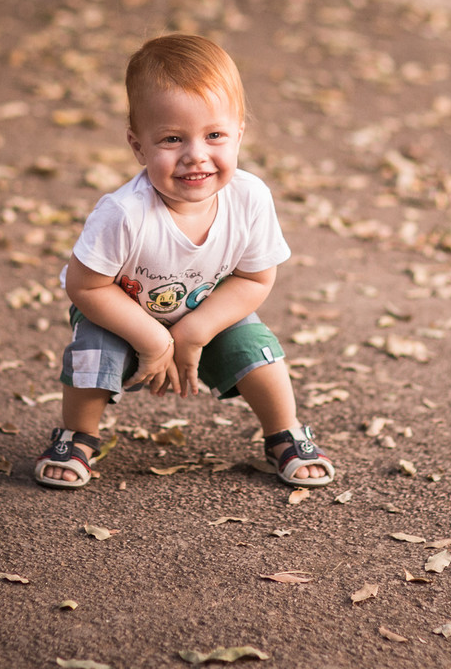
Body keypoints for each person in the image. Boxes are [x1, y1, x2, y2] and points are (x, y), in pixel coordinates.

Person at [34, 34, 333, 490]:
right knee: (94, 352)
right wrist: (153, 338)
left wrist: (194, 331)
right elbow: (85, 287)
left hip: (208, 307)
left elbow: (254, 279)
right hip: (117, 308)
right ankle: (78, 434)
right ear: (138, 146)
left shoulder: (249, 198)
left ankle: (285, 431)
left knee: (259, 351)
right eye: (173, 139)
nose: (196, 154)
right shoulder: (124, 213)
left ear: (239, 134)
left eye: (215, 135)